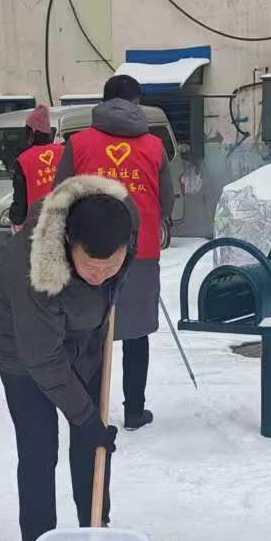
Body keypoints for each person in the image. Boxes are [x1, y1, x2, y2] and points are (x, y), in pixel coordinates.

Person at [0, 175, 136, 541]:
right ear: (68, 244)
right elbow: (43, 358)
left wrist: (89, 425)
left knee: (92, 440)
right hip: (21, 347)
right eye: (91, 268)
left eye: (110, 266)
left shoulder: (123, 219)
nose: (100, 276)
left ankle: (96, 525)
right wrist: (84, 418)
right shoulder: (32, 272)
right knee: (39, 447)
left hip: (83, 336)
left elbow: (110, 273)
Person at [57, 74, 174, 432]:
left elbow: (59, 195)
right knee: (135, 333)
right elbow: (167, 202)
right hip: (139, 252)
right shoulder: (155, 147)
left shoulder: (78, 144)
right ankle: (134, 410)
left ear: (103, 101)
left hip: (89, 252)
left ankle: (91, 408)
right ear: (136, 103)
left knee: (90, 330)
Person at [10, 105, 59, 230]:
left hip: (36, 226)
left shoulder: (24, 159)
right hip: (64, 221)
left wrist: (16, 220)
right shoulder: (63, 151)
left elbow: (20, 198)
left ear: (31, 131)